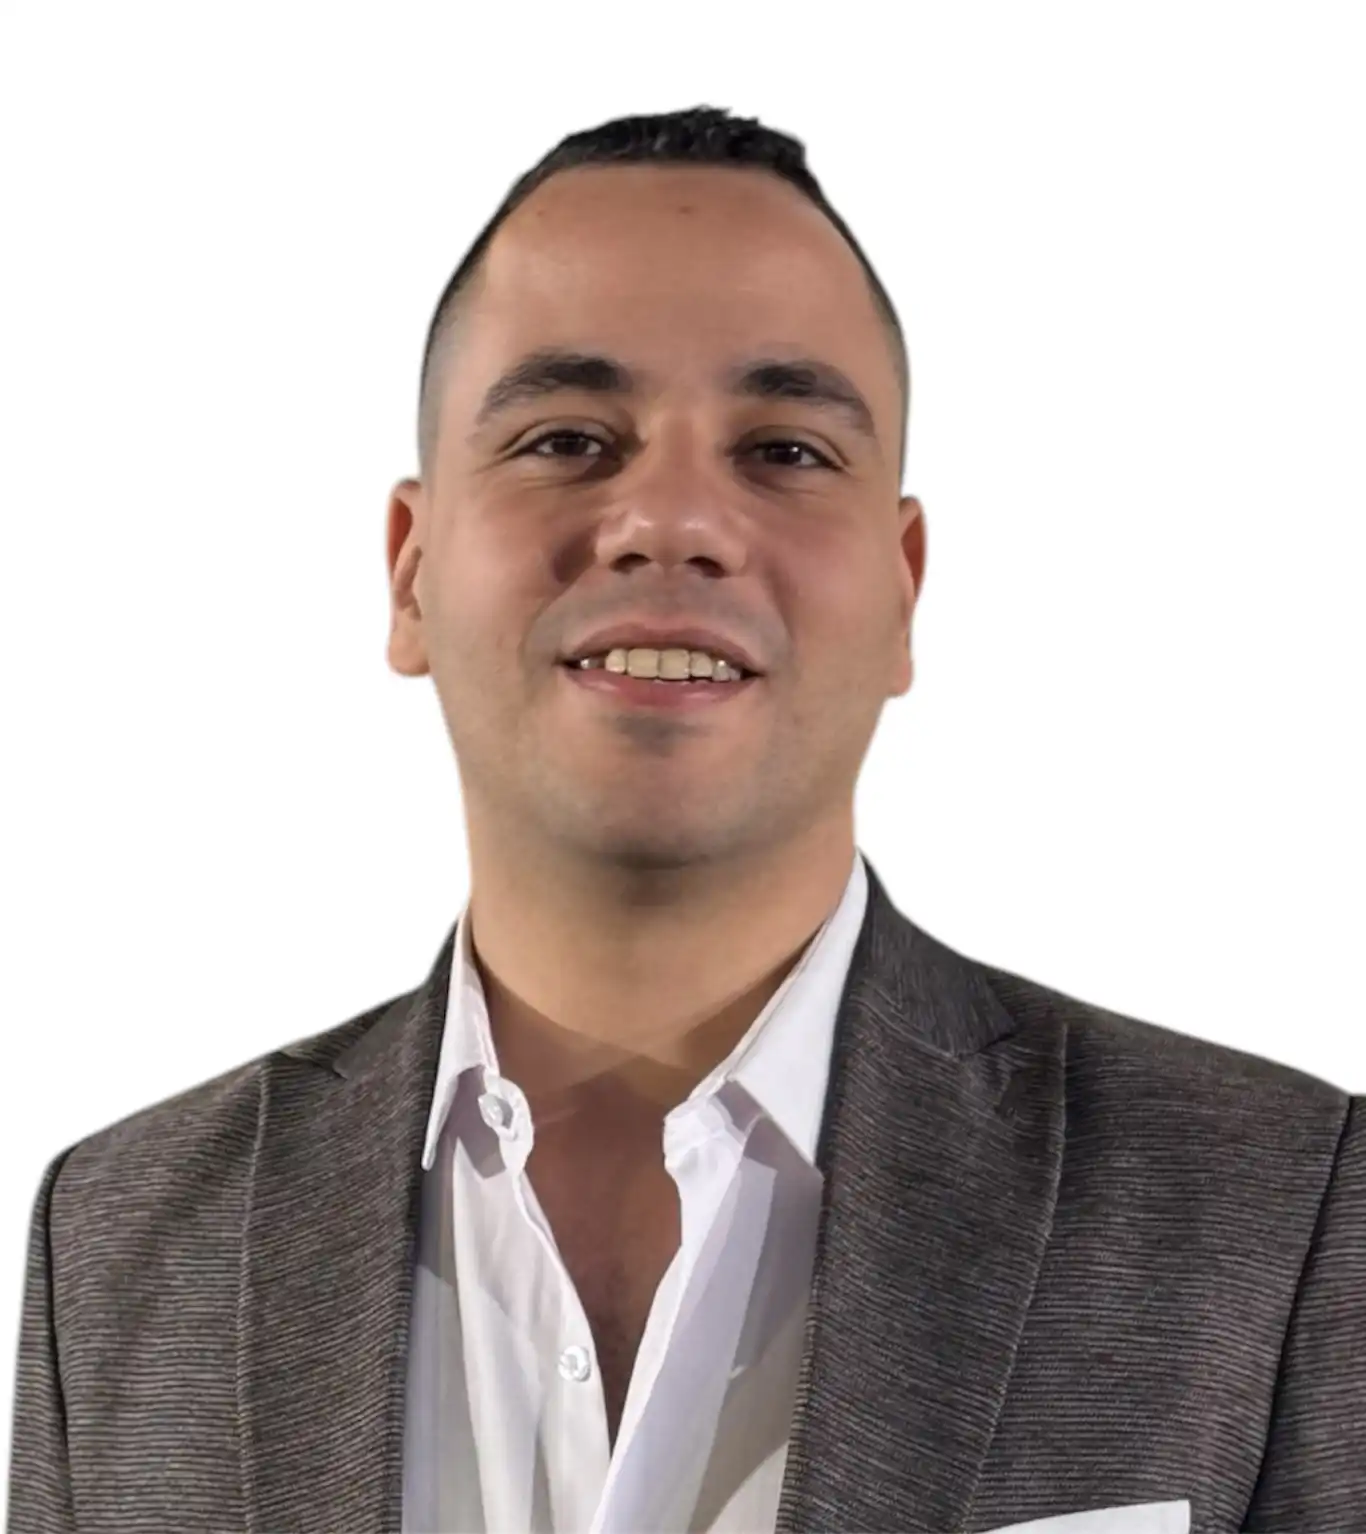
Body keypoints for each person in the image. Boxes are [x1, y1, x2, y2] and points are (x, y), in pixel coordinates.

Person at [6, 105, 1364, 1534]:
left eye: (784, 451)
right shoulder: (120, 1241)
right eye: (567, 438)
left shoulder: (1278, 1213)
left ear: (904, 589)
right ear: (409, 572)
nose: (669, 520)